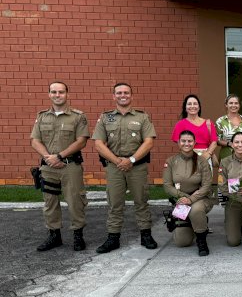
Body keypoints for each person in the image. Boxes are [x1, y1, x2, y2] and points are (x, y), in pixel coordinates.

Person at [93, 83, 158, 252]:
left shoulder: (142, 117)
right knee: (115, 203)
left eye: (126, 93)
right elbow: (99, 144)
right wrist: (117, 161)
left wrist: (131, 160)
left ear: (131, 95)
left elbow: (149, 142)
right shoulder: (105, 118)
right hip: (114, 167)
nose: (123, 95)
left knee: (141, 201)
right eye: (119, 93)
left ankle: (146, 235)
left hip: (137, 166)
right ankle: (113, 237)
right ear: (113, 96)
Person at [30, 81, 89, 252]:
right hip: (48, 167)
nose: (57, 95)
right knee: (50, 202)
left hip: (70, 166)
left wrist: (59, 156)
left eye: (61, 92)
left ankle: (78, 235)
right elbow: (35, 140)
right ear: (49, 94)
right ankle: (54, 236)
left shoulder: (78, 116)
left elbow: (81, 141)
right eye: (54, 92)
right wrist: (48, 158)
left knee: (75, 201)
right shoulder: (42, 116)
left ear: (67, 94)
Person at [163, 130, 214, 256]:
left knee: (196, 210)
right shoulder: (171, 161)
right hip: (181, 200)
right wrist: (183, 197)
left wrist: (191, 199)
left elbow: (207, 186)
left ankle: (202, 241)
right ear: (179, 143)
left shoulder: (202, 161)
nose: (187, 143)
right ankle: (196, 222)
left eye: (190, 141)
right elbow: (167, 186)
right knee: (182, 242)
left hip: (200, 199)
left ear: (194, 142)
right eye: (183, 141)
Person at [170, 94, 218, 165]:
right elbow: (179, 143)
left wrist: (208, 153)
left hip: (206, 157)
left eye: (195, 104)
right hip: (188, 156)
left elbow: (214, 142)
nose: (192, 106)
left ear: (199, 107)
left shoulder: (208, 123)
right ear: (185, 108)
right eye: (189, 104)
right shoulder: (180, 124)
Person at [215, 93, 242, 162]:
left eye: (236, 103)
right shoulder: (220, 121)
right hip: (227, 156)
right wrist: (229, 143)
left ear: (239, 105)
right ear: (226, 105)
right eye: (231, 103)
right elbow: (217, 139)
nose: (233, 105)